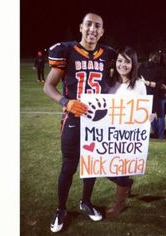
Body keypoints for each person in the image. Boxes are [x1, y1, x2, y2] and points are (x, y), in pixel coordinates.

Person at [43, 13, 116, 233]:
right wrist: (66, 102)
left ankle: (85, 201)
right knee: (69, 166)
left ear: (102, 32)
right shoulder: (67, 50)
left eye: (98, 26)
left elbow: (118, 81)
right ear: (81, 27)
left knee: (91, 164)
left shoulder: (108, 55)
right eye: (89, 24)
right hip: (74, 119)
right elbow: (48, 87)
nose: (93, 29)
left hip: (97, 120)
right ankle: (61, 209)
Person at [106, 46, 146, 218]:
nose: (122, 64)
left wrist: (148, 116)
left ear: (133, 64)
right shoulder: (109, 82)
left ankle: (119, 204)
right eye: (120, 60)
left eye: (127, 61)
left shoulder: (138, 84)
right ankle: (127, 183)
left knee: (122, 169)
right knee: (104, 168)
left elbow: (143, 109)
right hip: (108, 133)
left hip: (127, 136)